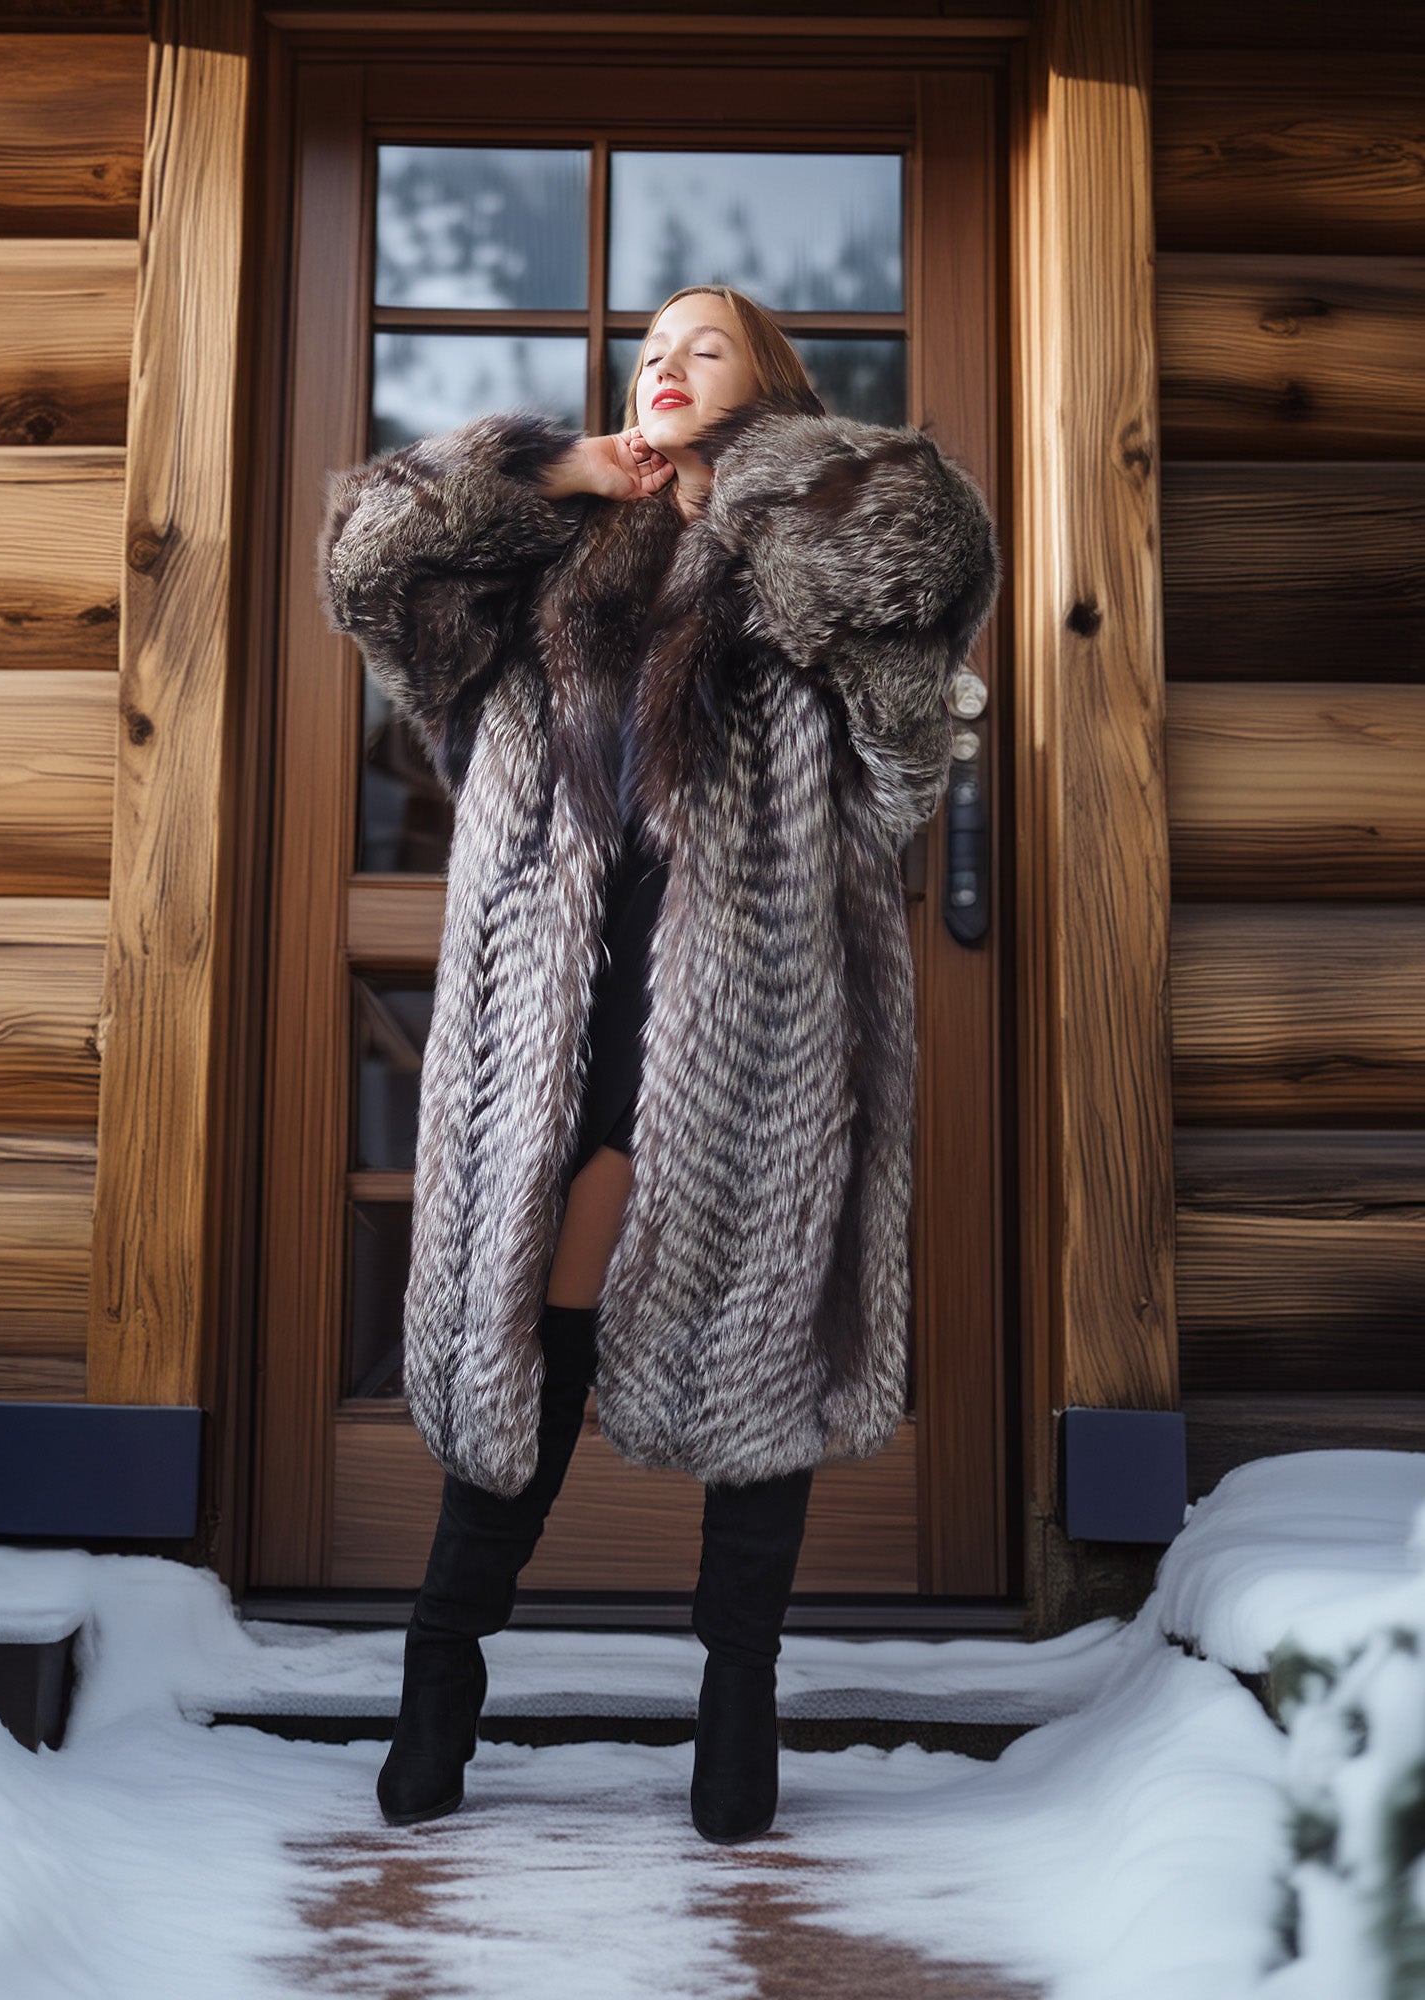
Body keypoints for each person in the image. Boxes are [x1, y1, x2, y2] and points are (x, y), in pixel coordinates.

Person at [317, 283, 1001, 1844]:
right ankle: (441, 1669)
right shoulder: (555, 569)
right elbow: (369, 557)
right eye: (650, 351)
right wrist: (551, 468)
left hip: (757, 1026)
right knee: (524, 1334)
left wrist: (748, 482)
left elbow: (927, 581)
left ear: (769, 379)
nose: (666, 366)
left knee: (759, 1348)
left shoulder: (820, 566)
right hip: (549, 1019)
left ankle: (738, 1698)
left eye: (706, 346)